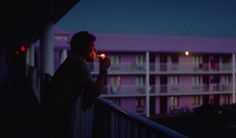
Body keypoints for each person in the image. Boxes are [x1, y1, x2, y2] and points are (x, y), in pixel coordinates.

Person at [42, 31, 110, 138]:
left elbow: (86, 86)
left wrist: (88, 94)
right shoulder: (78, 62)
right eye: (92, 47)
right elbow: (97, 91)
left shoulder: (72, 61)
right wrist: (103, 68)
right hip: (58, 116)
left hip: (53, 112)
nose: (95, 51)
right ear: (83, 48)